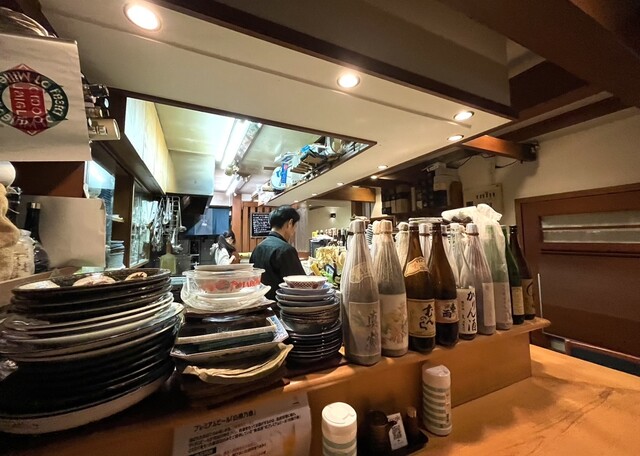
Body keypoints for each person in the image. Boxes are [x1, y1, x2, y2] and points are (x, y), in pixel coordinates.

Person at [250, 205, 306, 300]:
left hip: (262, 303)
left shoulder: (258, 248)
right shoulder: (286, 249)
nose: (294, 232)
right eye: (295, 226)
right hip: (281, 305)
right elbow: (300, 284)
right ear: (290, 223)